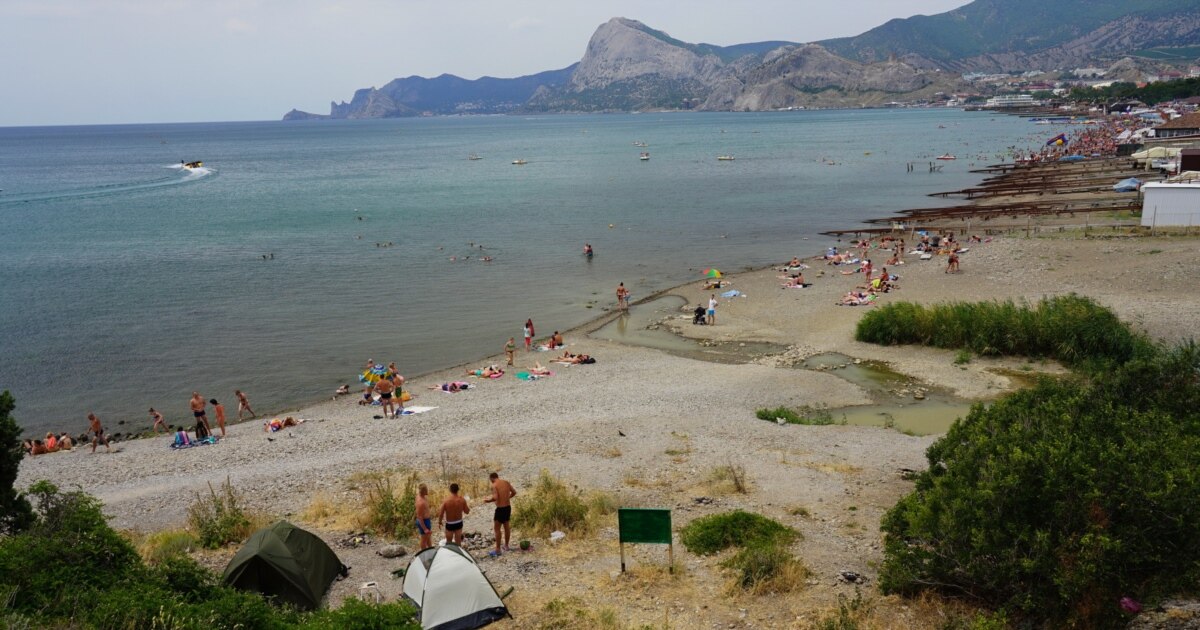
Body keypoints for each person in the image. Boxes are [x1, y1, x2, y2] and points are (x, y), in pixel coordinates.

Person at [484, 472, 518, 556]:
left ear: (492, 478)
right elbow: (514, 492)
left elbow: (495, 497)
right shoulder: (506, 482)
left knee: (497, 529)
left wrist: (488, 500)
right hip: (508, 507)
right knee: (506, 527)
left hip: (500, 509)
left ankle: (498, 549)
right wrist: (507, 498)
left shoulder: (494, 485)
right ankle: (506, 546)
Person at [415, 483, 433, 550]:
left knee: (428, 537)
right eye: (426, 490)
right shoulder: (421, 502)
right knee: (424, 539)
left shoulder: (423, 497)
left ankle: (430, 550)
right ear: (423, 491)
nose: (427, 491)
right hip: (423, 522)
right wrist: (425, 529)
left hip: (426, 520)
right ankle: (424, 553)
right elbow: (419, 517)